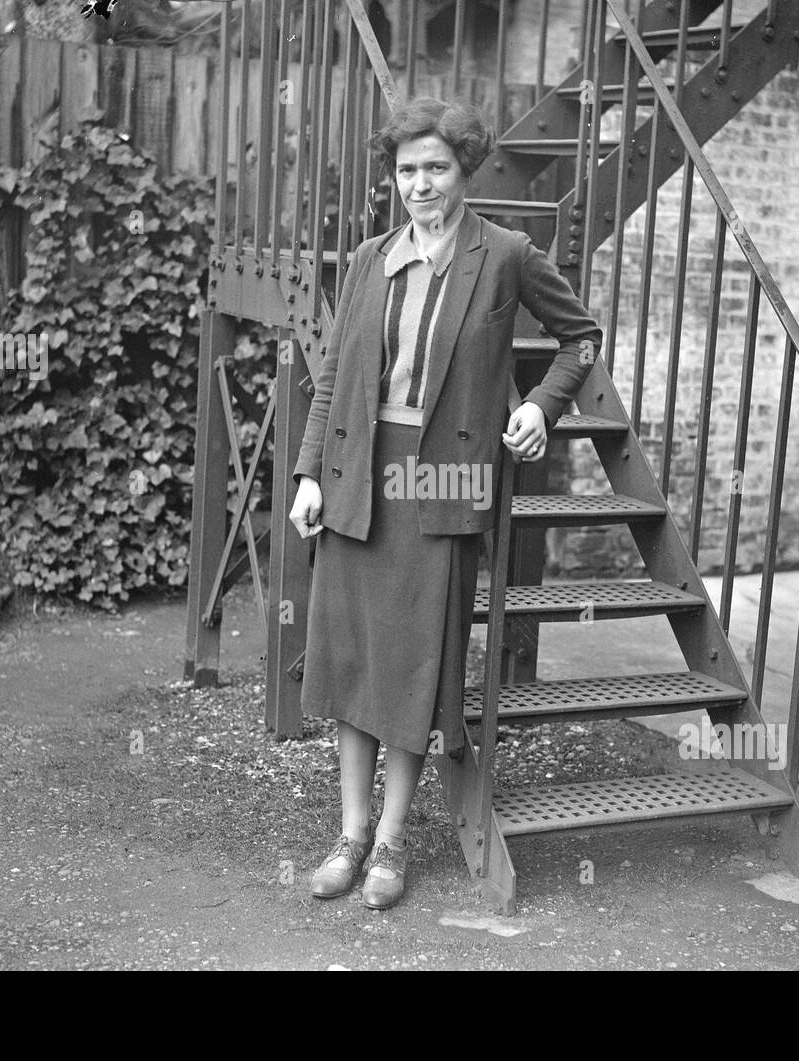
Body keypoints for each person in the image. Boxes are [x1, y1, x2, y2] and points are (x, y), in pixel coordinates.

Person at [287, 97, 602, 910]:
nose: (420, 185)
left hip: (442, 483)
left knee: (413, 666)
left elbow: (581, 337)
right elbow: (331, 379)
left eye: (436, 168)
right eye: (406, 171)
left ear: (465, 170)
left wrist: (540, 406)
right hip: (359, 478)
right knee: (354, 660)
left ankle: (392, 839)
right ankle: (350, 833)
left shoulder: (505, 254)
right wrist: (309, 473)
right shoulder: (369, 258)